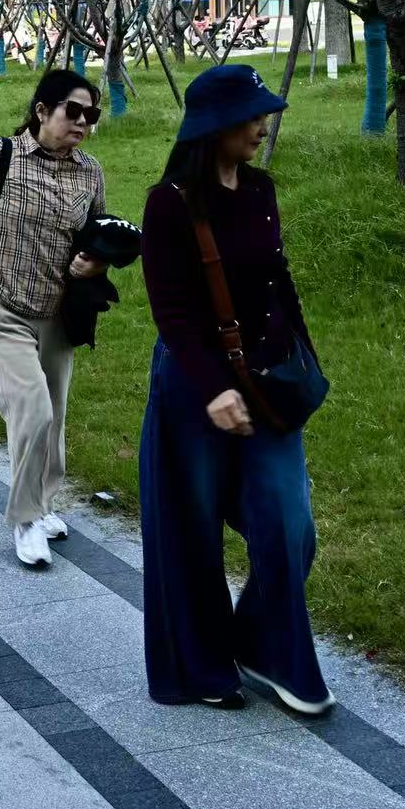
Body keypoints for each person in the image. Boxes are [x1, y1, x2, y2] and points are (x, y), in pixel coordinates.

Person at [138, 64, 333, 716]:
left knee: (290, 525)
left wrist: (302, 356)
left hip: (268, 381)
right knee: (190, 530)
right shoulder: (170, 202)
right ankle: (202, 666)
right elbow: (172, 310)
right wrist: (215, 388)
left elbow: (279, 280)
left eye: (264, 114)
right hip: (195, 386)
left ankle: (260, 644)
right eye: (252, 116)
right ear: (214, 125)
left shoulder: (260, 188)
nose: (262, 125)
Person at [0, 69, 109, 569]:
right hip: (5, 306)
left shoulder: (90, 171)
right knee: (32, 410)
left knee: (54, 415)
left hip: (60, 311)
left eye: (91, 115)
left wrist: (95, 262)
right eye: (72, 111)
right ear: (42, 110)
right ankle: (25, 517)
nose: (82, 122)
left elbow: (97, 234)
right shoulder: (0, 155)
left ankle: (44, 501)